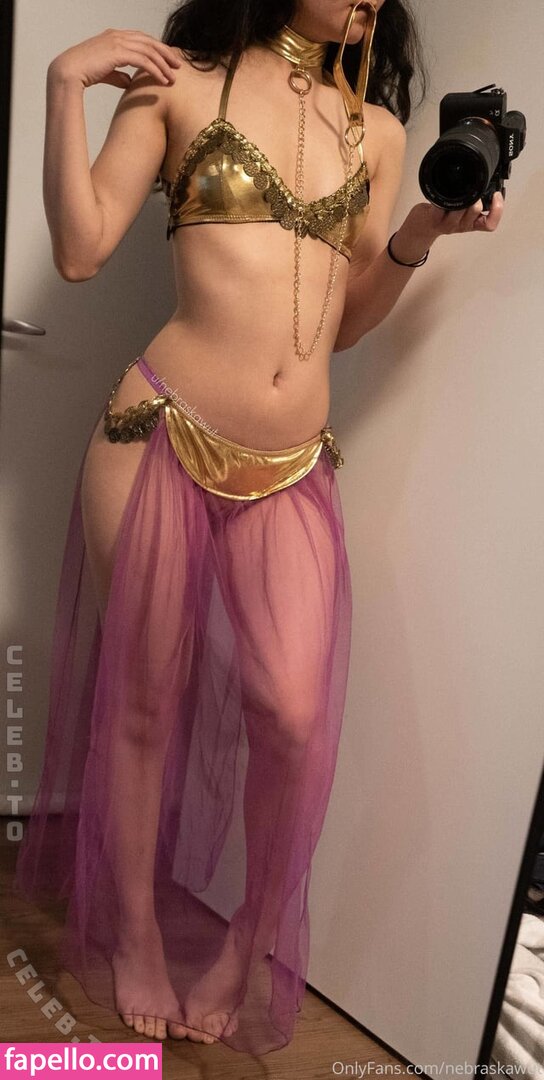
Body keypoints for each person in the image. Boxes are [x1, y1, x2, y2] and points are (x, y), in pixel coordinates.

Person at [14, 0, 504, 1056]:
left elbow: (344, 323)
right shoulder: (181, 84)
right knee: (145, 703)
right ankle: (137, 930)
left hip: (289, 463)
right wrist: (63, 86)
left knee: (289, 710)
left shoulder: (376, 131)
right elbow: (83, 252)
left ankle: (247, 940)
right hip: (158, 432)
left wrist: (416, 236)